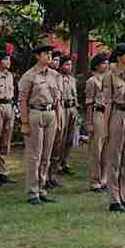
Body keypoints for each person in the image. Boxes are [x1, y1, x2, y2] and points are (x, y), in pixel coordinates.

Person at [19, 44, 62, 205]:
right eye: (45, 53)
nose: (49, 56)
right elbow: (22, 100)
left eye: (50, 53)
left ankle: (42, 188)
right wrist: (24, 122)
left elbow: (57, 100)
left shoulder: (55, 75)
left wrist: (58, 119)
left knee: (46, 155)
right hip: (35, 113)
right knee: (34, 155)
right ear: (38, 56)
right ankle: (33, 191)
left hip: (50, 114)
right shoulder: (29, 75)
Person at [101, 43, 125, 212]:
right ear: (119, 57)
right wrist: (105, 126)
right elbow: (107, 102)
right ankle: (114, 199)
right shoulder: (109, 76)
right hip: (117, 113)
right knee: (114, 157)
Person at [46, 55, 77, 188]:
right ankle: (54, 167)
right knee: (59, 140)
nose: (68, 67)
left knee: (69, 139)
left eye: (70, 65)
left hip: (72, 108)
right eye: (66, 65)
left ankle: (64, 162)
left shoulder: (72, 79)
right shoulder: (55, 77)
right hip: (61, 108)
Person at [0, 44, 17, 187]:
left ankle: (2, 171)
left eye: (9, 59)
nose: (8, 62)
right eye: (5, 60)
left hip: (9, 106)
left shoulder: (10, 76)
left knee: (5, 142)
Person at [85, 53, 110, 192]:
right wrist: (89, 122)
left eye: (106, 63)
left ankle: (104, 178)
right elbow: (89, 103)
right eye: (103, 63)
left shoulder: (107, 79)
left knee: (106, 148)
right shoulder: (92, 81)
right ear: (96, 65)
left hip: (107, 114)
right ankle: (95, 180)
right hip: (98, 113)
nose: (105, 65)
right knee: (96, 149)